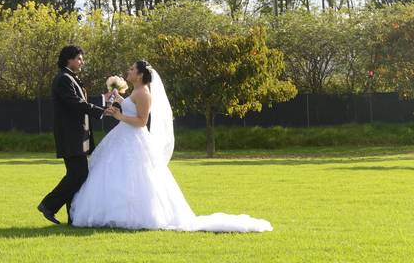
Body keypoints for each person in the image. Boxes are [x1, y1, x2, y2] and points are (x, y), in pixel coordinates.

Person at [68, 60, 272, 232]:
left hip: (133, 138)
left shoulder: (144, 93)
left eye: (132, 69)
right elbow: (132, 106)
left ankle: (134, 215)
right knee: (113, 172)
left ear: (139, 75)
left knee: (136, 176)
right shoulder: (136, 90)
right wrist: (119, 99)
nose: (128, 72)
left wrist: (120, 115)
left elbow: (141, 121)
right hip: (123, 136)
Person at [37, 45, 110, 225]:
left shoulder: (69, 78)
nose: (82, 62)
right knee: (79, 174)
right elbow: (75, 103)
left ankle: (73, 216)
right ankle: (48, 204)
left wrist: (102, 99)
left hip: (77, 136)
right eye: (79, 58)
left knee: (76, 175)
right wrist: (101, 111)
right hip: (71, 135)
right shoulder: (63, 79)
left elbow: (81, 101)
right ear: (69, 59)